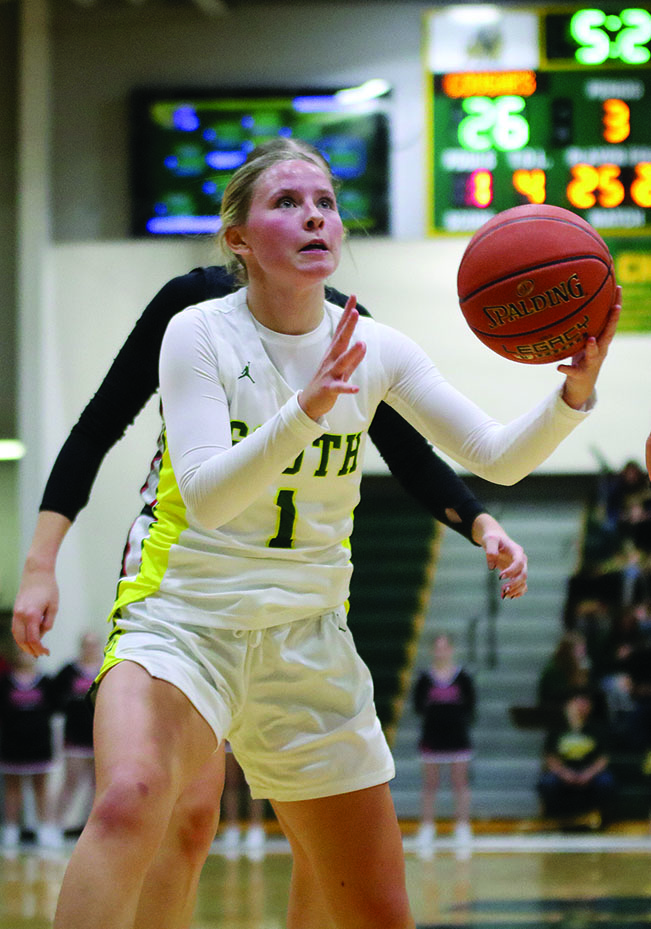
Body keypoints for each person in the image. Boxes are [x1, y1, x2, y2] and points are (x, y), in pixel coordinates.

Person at [39, 140, 618, 929]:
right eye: (285, 202)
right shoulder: (196, 330)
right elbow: (206, 495)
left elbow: (493, 457)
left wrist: (571, 396)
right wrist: (303, 411)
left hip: (306, 634)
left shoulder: (375, 346)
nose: (313, 214)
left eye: (324, 202)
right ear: (238, 238)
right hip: (182, 616)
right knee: (133, 802)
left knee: (376, 911)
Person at [412, 632, 475, 848]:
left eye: (444, 647)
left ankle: (462, 827)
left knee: (460, 783)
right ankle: (427, 828)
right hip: (432, 736)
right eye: (437, 647)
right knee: (430, 784)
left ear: (451, 649)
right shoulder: (424, 678)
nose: (441, 651)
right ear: (432, 651)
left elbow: (470, 705)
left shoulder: (463, 677)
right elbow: (418, 706)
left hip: (457, 736)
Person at [0, 647, 61, 849]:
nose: (23, 656)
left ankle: (45, 829)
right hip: (12, 744)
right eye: (19, 652)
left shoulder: (46, 682)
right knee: (12, 789)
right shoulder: (5, 682)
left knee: (41, 788)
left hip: (39, 743)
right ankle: (11, 831)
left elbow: (55, 708)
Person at [537, 690, 616, 828]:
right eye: (578, 703)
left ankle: (601, 818)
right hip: (564, 772)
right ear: (569, 705)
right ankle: (554, 819)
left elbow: (603, 759)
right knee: (547, 782)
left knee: (606, 782)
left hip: (590, 772)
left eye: (585, 703)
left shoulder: (597, 728)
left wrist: (588, 774)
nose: (582, 707)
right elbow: (550, 757)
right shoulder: (557, 729)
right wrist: (565, 774)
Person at [51, 630, 103, 836]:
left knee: (97, 786)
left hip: (101, 736)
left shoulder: (106, 668)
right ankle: (53, 826)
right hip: (75, 737)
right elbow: (54, 699)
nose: (89, 648)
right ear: (80, 646)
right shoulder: (68, 671)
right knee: (71, 782)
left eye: (93, 644)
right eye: (85, 644)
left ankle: (88, 828)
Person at [219, 743, 266, 858]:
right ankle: (232, 829)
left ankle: (255, 828)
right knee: (231, 782)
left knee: (255, 783)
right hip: (229, 736)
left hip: (252, 737)